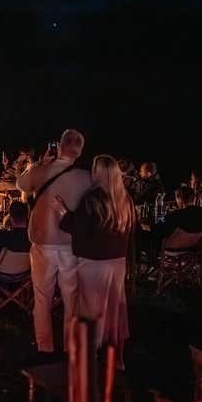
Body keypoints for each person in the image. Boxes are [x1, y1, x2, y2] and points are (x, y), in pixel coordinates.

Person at [52, 155, 135, 368]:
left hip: (94, 262)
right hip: (117, 261)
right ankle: (118, 359)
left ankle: (89, 356)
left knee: (90, 310)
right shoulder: (125, 199)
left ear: (98, 173)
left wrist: (63, 212)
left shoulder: (92, 199)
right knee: (115, 309)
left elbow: (79, 228)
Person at [16, 128, 92, 354]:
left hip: (43, 242)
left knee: (42, 298)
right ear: (79, 151)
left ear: (59, 146)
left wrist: (39, 164)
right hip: (71, 244)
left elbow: (21, 184)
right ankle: (70, 345)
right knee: (71, 298)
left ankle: (45, 345)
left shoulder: (41, 170)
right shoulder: (86, 178)